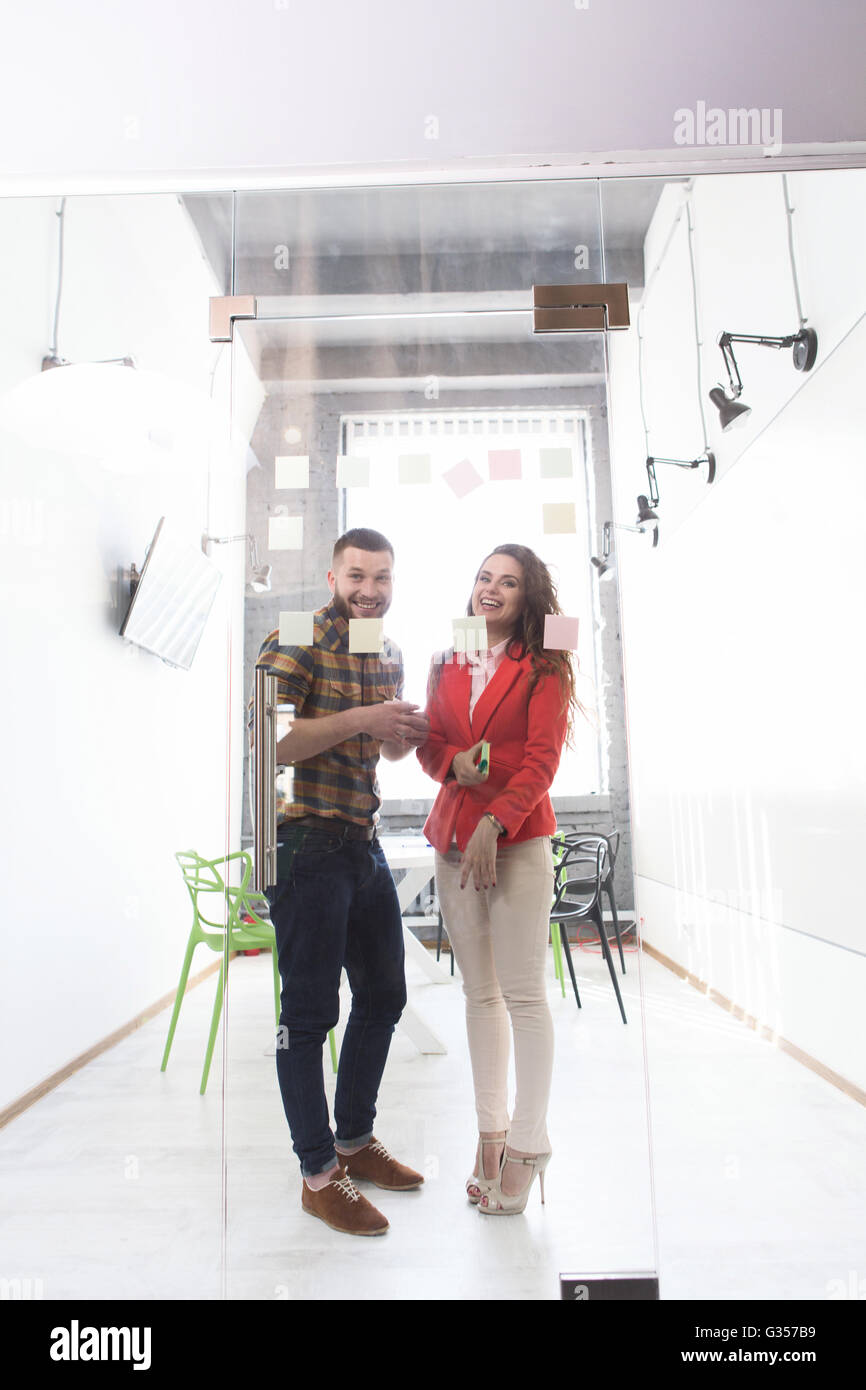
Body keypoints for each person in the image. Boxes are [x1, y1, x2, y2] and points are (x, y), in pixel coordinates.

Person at [255, 527, 430, 1236]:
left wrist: (393, 739)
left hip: (360, 842)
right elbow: (270, 739)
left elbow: (376, 749)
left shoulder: (387, 650)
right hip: (300, 844)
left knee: (385, 993)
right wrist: (361, 717)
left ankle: (354, 1143)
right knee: (307, 1017)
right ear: (332, 578)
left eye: (382, 577)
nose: (370, 590)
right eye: (356, 576)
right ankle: (317, 1174)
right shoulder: (296, 633)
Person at [417, 544, 575, 1215]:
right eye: (484, 577)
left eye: (507, 583)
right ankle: (491, 1138)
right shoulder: (447, 655)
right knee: (478, 997)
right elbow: (427, 743)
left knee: (523, 996)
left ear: (527, 595)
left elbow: (542, 760)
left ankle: (530, 1144)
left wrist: (497, 823)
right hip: (452, 838)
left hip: (516, 841)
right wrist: (455, 767)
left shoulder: (547, 659)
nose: (490, 590)